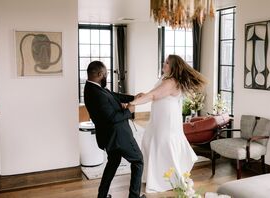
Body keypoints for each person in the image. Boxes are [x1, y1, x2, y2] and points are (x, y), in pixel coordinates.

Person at [129, 54, 207, 193]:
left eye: (167, 63)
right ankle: (152, 176)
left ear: (173, 67)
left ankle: (169, 179)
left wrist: (133, 103)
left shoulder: (171, 82)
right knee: (148, 142)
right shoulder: (165, 79)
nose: (164, 64)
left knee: (162, 145)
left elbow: (153, 95)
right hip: (158, 118)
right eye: (165, 62)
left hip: (167, 120)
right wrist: (143, 95)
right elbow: (155, 93)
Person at [83, 61, 145, 198]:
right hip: (119, 136)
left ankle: (102, 195)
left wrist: (134, 98)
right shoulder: (95, 93)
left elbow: (113, 96)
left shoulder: (93, 87)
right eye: (106, 74)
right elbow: (112, 118)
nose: (107, 77)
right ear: (100, 74)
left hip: (109, 138)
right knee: (138, 161)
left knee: (113, 163)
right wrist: (129, 111)